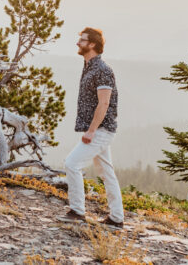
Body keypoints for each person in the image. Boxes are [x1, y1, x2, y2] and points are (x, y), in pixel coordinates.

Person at [60, 26, 124, 227]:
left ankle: (77, 211)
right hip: (100, 129)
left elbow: (103, 103)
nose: (78, 42)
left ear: (92, 44)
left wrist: (91, 131)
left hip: (101, 129)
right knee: (107, 173)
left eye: (82, 39)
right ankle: (116, 218)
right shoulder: (89, 67)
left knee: (72, 164)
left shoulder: (102, 70)